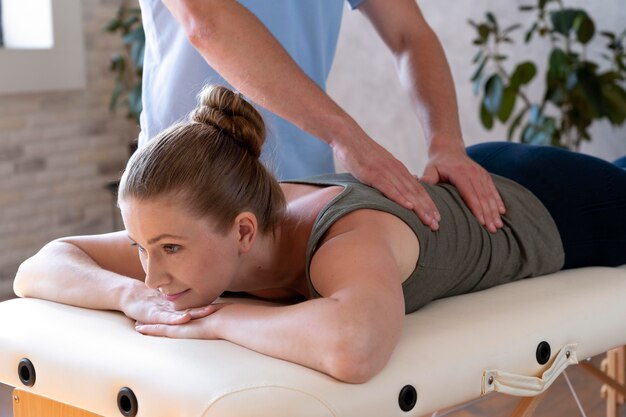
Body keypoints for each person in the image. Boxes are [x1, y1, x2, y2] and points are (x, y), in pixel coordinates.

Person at [15, 87, 626, 384]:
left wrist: (218, 318)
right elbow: (41, 266)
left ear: (244, 231)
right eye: (142, 247)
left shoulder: (347, 240)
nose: (151, 272)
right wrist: (129, 297)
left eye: (167, 250)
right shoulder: (196, 231)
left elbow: (355, 347)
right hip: (490, 184)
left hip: (555, 206)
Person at [138, 0, 507, 233]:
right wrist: (347, 136)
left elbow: (410, 35)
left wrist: (446, 143)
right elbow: (207, 21)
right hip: (184, 181)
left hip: (302, 188)